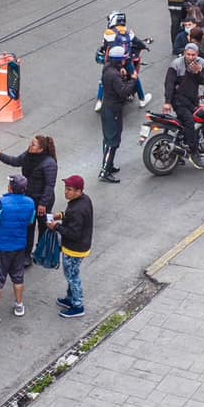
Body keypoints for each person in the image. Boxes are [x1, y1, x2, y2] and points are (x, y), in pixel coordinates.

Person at [0, 173, 39, 320]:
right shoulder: (30, 203)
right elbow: (30, 222)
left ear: (11, 188)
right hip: (19, 246)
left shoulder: (2, 203)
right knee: (18, 276)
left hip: (1, 247)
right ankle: (19, 305)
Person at [51, 175, 96, 318]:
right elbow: (70, 216)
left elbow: (73, 233)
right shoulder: (82, 200)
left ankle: (78, 305)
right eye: (65, 188)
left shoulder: (78, 209)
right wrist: (61, 216)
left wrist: (56, 226)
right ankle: (70, 299)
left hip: (74, 249)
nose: (65, 192)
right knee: (71, 274)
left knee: (72, 276)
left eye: (69, 189)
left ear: (78, 191)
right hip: (79, 247)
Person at [163, 44, 204, 168]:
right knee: (189, 122)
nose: (190, 57)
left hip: (193, 100)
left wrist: (198, 72)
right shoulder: (176, 64)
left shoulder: (201, 63)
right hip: (178, 100)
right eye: (188, 54)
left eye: (193, 55)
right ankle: (194, 152)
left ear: (197, 55)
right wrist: (168, 102)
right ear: (184, 53)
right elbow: (169, 84)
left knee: (203, 119)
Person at [95, 46, 136, 185]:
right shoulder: (114, 75)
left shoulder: (108, 69)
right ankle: (105, 170)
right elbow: (124, 92)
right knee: (112, 141)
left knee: (110, 138)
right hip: (113, 110)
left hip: (109, 108)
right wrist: (133, 80)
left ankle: (109, 164)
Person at [0, 135, 58, 221]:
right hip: (30, 197)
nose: (30, 146)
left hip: (42, 200)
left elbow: (49, 186)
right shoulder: (28, 154)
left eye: (33, 145)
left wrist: (43, 204)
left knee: (44, 225)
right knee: (29, 225)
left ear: (41, 149)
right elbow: (16, 161)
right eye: (31, 143)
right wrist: (0, 155)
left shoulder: (49, 163)